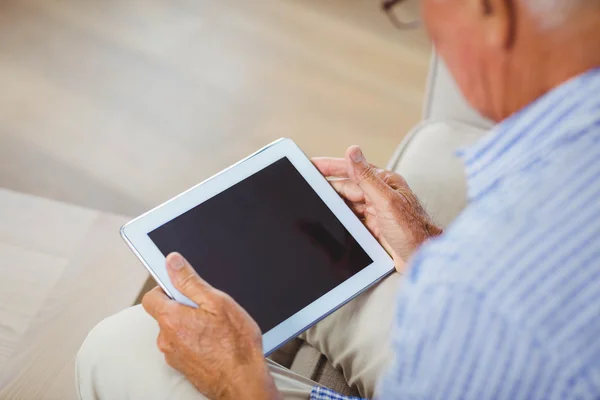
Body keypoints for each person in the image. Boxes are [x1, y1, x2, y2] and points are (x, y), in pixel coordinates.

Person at [76, 0, 600, 398]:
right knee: (328, 249)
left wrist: (241, 385)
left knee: (120, 346)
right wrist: (426, 251)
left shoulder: (480, 306)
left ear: (489, 11)